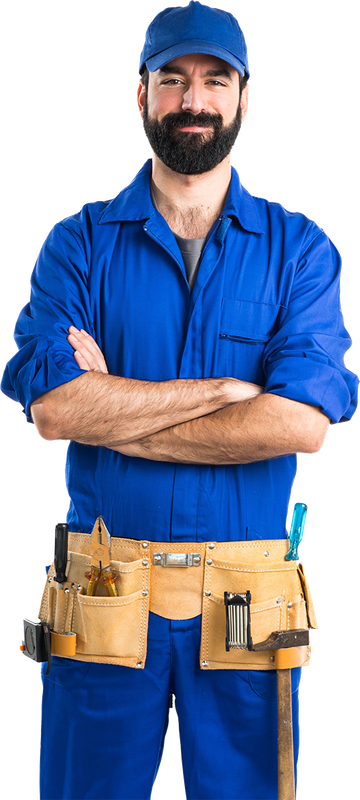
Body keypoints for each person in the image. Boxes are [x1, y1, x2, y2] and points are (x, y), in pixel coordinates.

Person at [1, 2, 358, 798]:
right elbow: (57, 412)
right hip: (104, 594)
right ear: (141, 96)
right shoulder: (80, 244)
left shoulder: (300, 251)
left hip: (244, 601)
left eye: (213, 80)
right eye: (172, 80)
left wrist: (117, 413)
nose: (192, 100)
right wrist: (228, 395)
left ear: (244, 99)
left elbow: (300, 423)